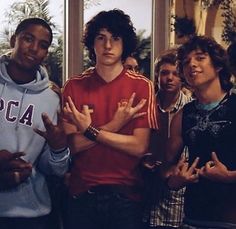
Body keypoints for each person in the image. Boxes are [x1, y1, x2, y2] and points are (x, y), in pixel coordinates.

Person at [62, 9, 157, 229]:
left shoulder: (141, 86)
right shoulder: (73, 86)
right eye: (101, 37)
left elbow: (139, 147)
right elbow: (73, 146)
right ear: (92, 43)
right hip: (81, 193)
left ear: (125, 44)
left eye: (115, 38)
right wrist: (116, 124)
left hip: (125, 195)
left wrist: (90, 130)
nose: (108, 46)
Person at [0, 17, 70, 229]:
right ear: (14, 40)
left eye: (43, 45)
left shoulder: (52, 98)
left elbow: (53, 169)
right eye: (28, 39)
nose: (34, 49)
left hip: (32, 214)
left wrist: (59, 149)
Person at [165, 35, 236, 228]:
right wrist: (175, 181)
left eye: (200, 57)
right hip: (194, 218)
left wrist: (229, 177)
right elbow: (166, 168)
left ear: (219, 65)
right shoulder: (182, 115)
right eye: (186, 62)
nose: (192, 65)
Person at [142, 49, 191, 229]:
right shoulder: (145, 108)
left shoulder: (190, 110)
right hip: (145, 197)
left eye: (175, 74)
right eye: (164, 73)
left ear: (182, 78)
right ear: (157, 76)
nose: (170, 78)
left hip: (176, 202)